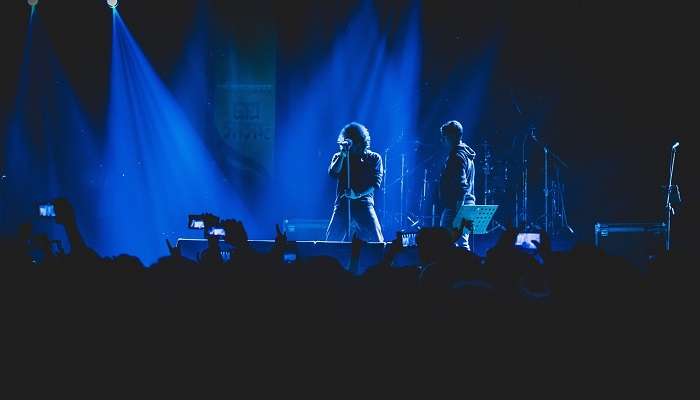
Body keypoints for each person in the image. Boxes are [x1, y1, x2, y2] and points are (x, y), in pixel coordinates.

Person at [325, 122, 384, 242]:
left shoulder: (373, 158)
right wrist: (342, 154)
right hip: (343, 204)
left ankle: (381, 259)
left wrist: (357, 194)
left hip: (364, 204)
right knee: (331, 240)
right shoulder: (340, 156)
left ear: (361, 141)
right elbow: (333, 173)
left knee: (377, 240)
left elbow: (375, 184)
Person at [438, 120, 476, 250]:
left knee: (445, 244)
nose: (442, 140)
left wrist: (458, 212)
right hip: (468, 205)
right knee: (463, 244)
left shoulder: (456, 156)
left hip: (456, 207)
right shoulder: (467, 155)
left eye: (444, 136)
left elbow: (461, 186)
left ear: (451, 136)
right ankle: (469, 269)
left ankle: (452, 270)